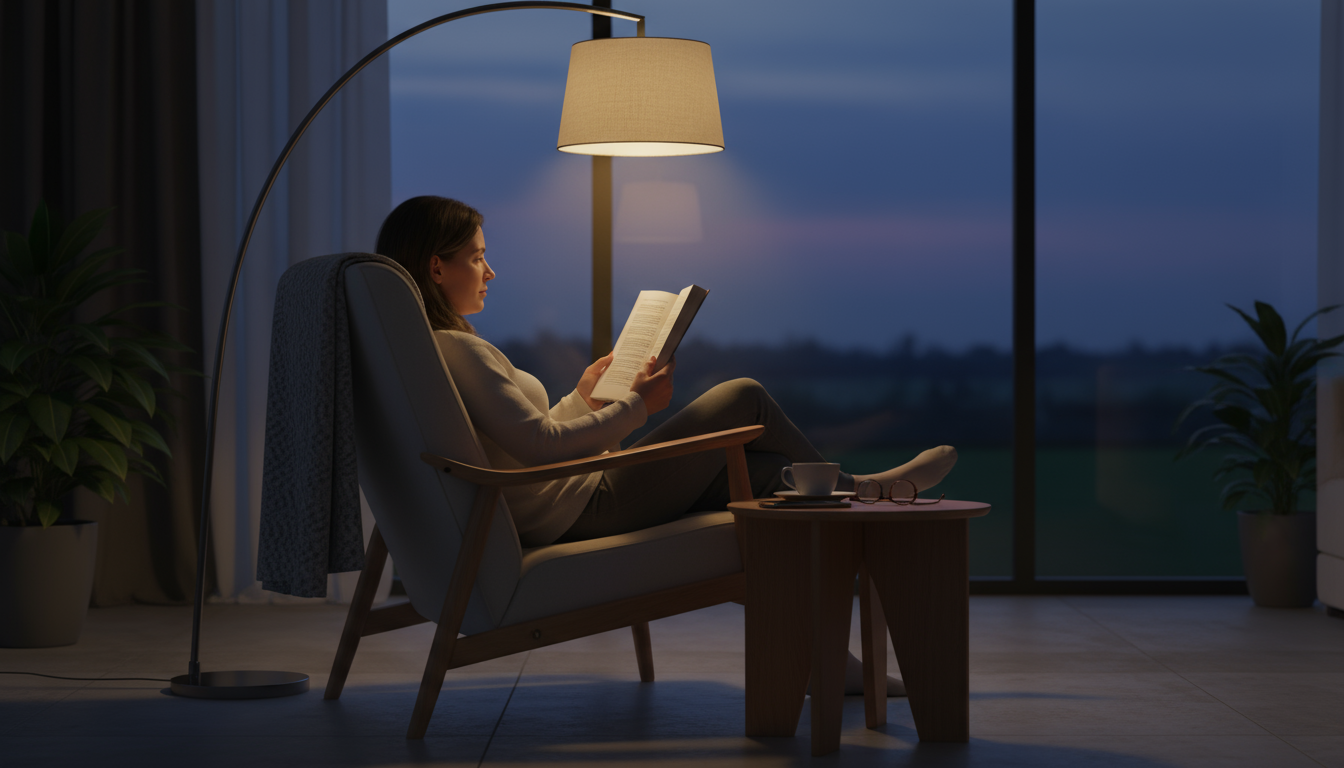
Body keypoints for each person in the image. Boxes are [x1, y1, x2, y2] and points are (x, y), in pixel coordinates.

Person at [376, 195, 959, 549]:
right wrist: (636, 407)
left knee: (768, 476)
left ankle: (837, 639)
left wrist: (584, 398)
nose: (490, 272)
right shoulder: (457, 348)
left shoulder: (437, 351)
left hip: (569, 499)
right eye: (477, 257)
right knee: (743, 396)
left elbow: (520, 439)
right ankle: (870, 492)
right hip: (584, 508)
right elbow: (538, 448)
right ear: (435, 266)